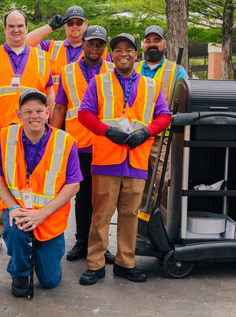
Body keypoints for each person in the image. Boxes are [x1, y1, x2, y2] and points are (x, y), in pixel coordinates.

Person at [77, 33, 171, 285]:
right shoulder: (99, 82)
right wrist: (107, 130)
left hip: (136, 160)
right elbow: (84, 114)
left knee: (130, 214)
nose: (123, 54)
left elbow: (164, 117)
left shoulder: (151, 86)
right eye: (118, 50)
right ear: (112, 55)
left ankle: (125, 263)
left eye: (128, 49)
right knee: (101, 215)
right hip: (107, 159)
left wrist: (146, 132)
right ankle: (95, 264)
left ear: (135, 54)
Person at [0, 89, 82, 297]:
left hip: (49, 216)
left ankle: (39, 253)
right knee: (14, 231)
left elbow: (74, 185)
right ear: (19, 115)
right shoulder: (6, 136)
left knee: (50, 282)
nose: (34, 116)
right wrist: (12, 206)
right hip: (18, 211)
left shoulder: (65, 141)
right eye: (28, 112)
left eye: (39, 111)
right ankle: (19, 272)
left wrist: (42, 214)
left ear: (48, 112)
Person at [0, 10, 55, 253]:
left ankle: (31, 226)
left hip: (33, 129)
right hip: (0, 129)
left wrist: (50, 124)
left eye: (20, 26)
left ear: (26, 27)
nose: (16, 30)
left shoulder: (41, 57)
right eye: (11, 26)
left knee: (32, 178)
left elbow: (49, 92)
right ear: (5, 29)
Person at [51, 25, 115, 263]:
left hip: (106, 144)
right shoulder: (67, 72)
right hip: (78, 145)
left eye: (99, 45)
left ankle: (100, 244)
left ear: (104, 47)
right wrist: (54, 140)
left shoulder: (112, 70)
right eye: (90, 44)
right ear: (83, 45)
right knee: (82, 195)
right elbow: (60, 107)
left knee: (103, 197)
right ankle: (81, 241)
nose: (94, 49)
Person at [135, 25, 188, 221]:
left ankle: (162, 225)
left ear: (164, 43)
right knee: (139, 184)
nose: (152, 45)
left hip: (162, 138)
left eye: (156, 41)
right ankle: (140, 227)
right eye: (148, 41)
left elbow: (185, 100)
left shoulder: (177, 70)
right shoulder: (134, 67)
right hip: (137, 137)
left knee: (164, 181)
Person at [25, 6, 110, 95]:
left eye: (79, 23)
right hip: (56, 106)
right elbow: (23, 44)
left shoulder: (99, 50)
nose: (75, 26)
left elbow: (109, 80)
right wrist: (50, 27)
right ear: (65, 25)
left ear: (86, 23)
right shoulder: (51, 47)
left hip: (85, 106)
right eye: (70, 23)